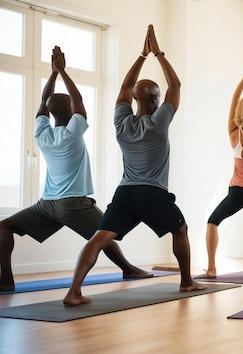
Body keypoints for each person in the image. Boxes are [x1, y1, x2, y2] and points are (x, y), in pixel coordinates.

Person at [63, 25, 206, 306]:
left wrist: (141, 56)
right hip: (152, 193)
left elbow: (125, 89)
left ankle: (73, 292)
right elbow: (175, 87)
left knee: (100, 238)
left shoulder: (121, 123)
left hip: (125, 193)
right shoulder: (159, 120)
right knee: (180, 230)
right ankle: (187, 282)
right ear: (155, 99)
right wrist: (158, 53)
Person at [0, 46, 151, 292]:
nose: (74, 105)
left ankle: (6, 278)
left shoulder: (42, 134)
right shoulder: (73, 132)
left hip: (46, 205)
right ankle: (128, 268)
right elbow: (78, 100)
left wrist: (52, 74)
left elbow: (43, 103)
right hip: (73, 205)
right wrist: (62, 71)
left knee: (4, 227)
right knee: (106, 232)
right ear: (64, 110)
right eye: (69, 104)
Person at [195, 51, 243, 279]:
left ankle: (211, 268)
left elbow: (233, 99)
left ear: (239, 110)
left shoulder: (233, 133)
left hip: (237, 191)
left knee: (212, 222)